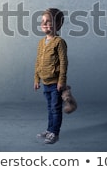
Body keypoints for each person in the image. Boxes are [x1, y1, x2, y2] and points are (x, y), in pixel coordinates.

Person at [33, 8, 68, 144]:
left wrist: (61, 81)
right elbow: (38, 61)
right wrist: (36, 79)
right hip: (45, 82)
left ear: (58, 24)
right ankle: (49, 129)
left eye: (49, 21)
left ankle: (55, 133)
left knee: (55, 108)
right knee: (50, 108)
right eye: (43, 21)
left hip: (55, 83)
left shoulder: (59, 42)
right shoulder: (41, 43)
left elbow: (64, 62)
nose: (44, 23)